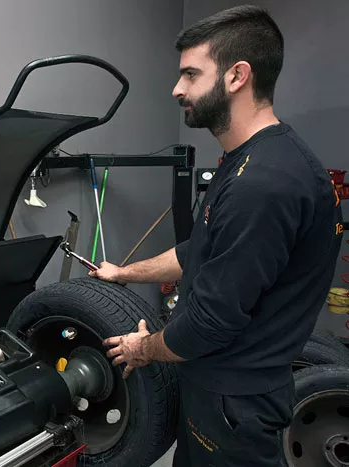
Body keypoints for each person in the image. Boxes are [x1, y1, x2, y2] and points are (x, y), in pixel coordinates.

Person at [89, 5, 344, 466]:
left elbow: (209, 324)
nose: (177, 89)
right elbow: (199, 251)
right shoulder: (249, 160)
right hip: (220, 392)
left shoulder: (263, 184)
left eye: (190, 74)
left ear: (237, 76)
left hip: (234, 405)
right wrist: (124, 272)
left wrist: (142, 349)